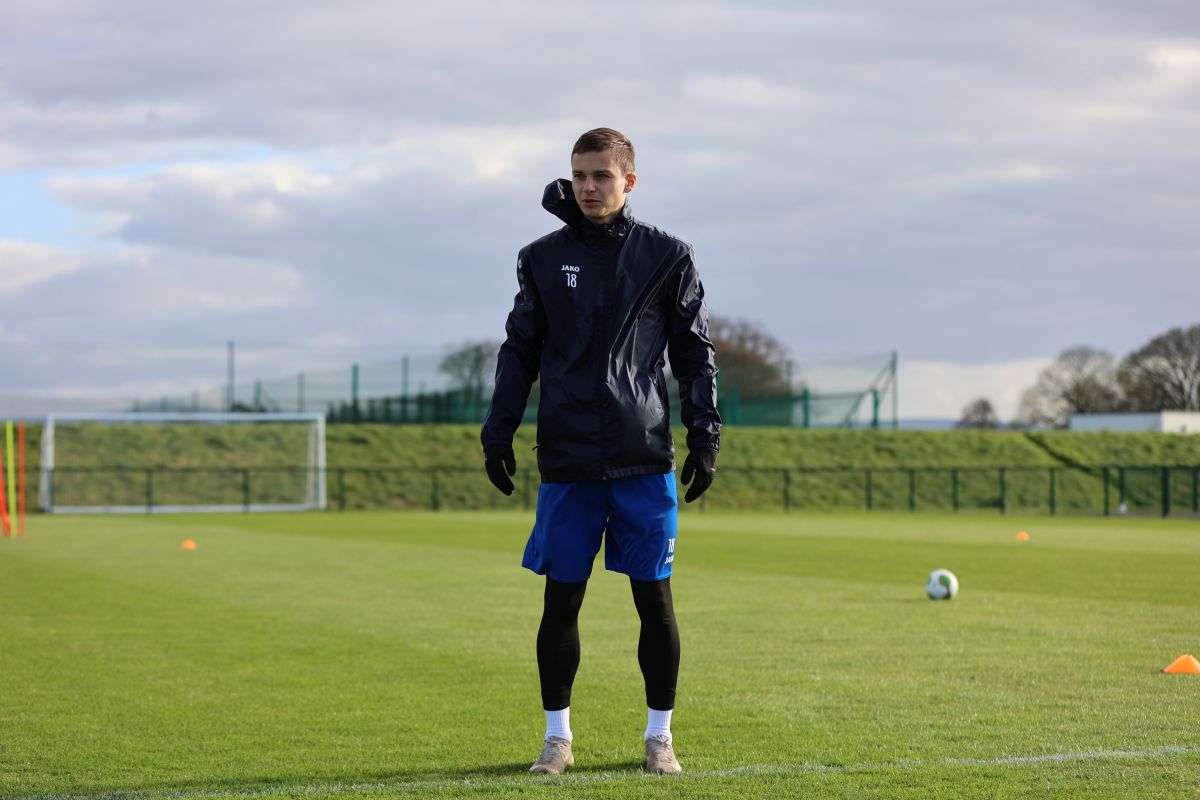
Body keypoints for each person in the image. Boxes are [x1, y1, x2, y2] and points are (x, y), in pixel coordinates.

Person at [481, 127, 720, 776]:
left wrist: (705, 435)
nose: (588, 187)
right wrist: (498, 430)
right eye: (579, 175)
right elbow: (519, 350)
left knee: (655, 602)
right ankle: (556, 739)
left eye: (601, 176)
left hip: (644, 454)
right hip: (568, 458)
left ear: (628, 181)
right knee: (561, 601)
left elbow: (694, 352)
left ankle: (659, 739)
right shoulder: (540, 257)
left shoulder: (667, 256)